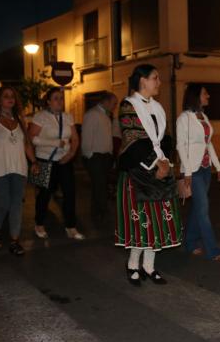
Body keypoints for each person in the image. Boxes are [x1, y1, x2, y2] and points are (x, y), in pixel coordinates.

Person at [117, 64, 182, 286]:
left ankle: (149, 266)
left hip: (158, 167)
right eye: (155, 78)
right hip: (138, 171)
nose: (159, 82)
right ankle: (133, 264)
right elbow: (133, 140)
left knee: (156, 221)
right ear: (142, 80)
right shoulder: (128, 105)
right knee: (142, 221)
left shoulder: (157, 107)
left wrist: (164, 161)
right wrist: (156, 164)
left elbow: (164, 139)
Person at [0, 86, 39, 256]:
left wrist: (33, 161)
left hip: (19, 168)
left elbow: (27, 144)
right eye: (6, 96)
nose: (10, 99)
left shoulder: (20, 119)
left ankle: (14, 240)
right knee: (3, 203)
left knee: (16, 206)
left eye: (12, 96)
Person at [176, 83, 220, 261]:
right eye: (205, 93)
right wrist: (187, 172)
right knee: (203, 209)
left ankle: (190, 242)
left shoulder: (203, 116)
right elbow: (180, 145)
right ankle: (212, 248)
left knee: (199, 208)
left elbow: (208, 143)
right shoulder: (184, 118)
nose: (208, 96)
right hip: (193, 170)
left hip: (205, 169)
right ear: (196, 96)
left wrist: (218, 167)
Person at [29, 87, 83, 240]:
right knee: (44, 195)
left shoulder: (67, 117)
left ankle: (71, 226)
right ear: (48, 102)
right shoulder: (40, 117)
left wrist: (71, 154)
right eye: (56, 98)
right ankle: (39, 223)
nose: (60, 101)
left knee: (70, 193)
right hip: (46, 160)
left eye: (61, 98)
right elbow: (32, 138)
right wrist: (53, 143)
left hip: (64, 161)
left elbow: (75, 139)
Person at [81, 92, 118, 224]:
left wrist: (110, 155)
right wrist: (90, 156)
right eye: (114, 103)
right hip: (95, 157)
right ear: (106, 102)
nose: (115, 106)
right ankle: (100, 213)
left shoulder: (106, 115)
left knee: (101, 185)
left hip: (105, 156)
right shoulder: (92, 114)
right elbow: (86, 137)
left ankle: (99, 212)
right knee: (99, 186)